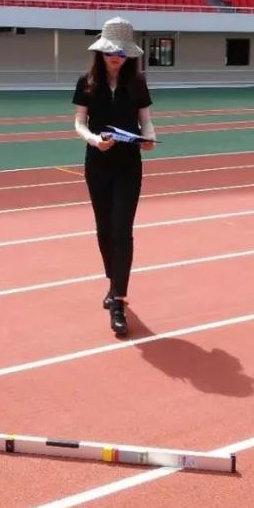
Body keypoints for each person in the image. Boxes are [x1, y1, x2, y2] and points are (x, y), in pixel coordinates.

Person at [72, 17, 157, 338]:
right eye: (111, 52)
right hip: (97, 163)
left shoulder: (137, 83)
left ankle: (118, 301)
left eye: (122, 53)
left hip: (128, 165)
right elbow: (79, 122)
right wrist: (95, 140)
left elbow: (146, 121)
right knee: (104, 229)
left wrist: (149, 138)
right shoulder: (87, 82)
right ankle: (113, 282)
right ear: (101, 52)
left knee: (122, 230)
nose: (116, 57)